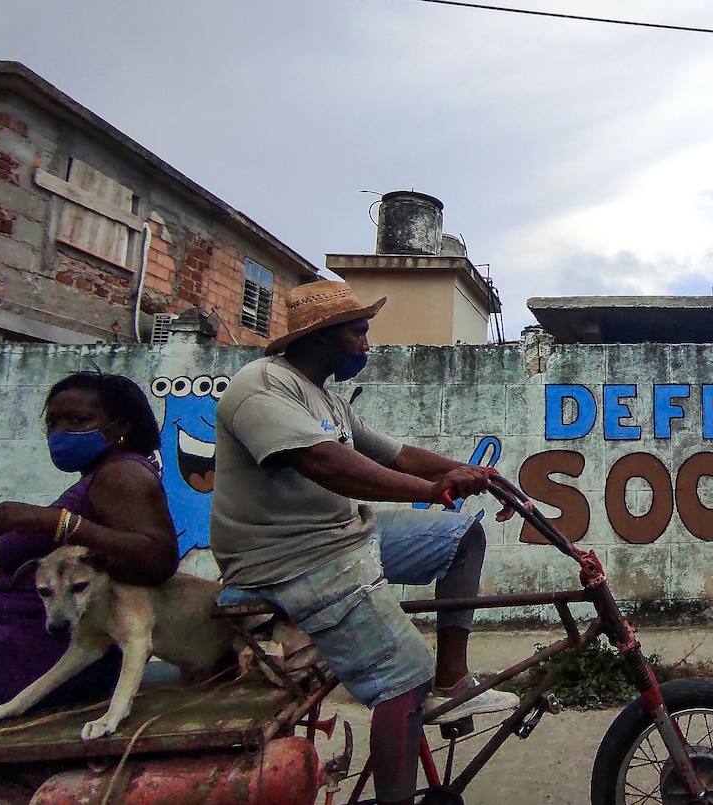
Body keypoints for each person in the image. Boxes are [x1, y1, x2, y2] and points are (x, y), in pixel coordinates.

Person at [210, 280, 517, 805]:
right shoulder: (259, 388)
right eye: (359, 333)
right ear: (323, 337)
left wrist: (478, 474)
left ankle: (454, 681)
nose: (367, 344)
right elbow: (324, 464)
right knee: (404, 673)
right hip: (291, 560)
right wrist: (432, 489)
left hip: (347, 537)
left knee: (463, 534)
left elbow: (395, 454)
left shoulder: (325, 396)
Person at [0, 373, 179, 721]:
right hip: (2, 627)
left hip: (33, 647)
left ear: (119, 428)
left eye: (77, 421)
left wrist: (52, 522)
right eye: (52, 422)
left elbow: (158, 557)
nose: (60, 432)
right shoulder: (100, 475)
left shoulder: (122, 474)